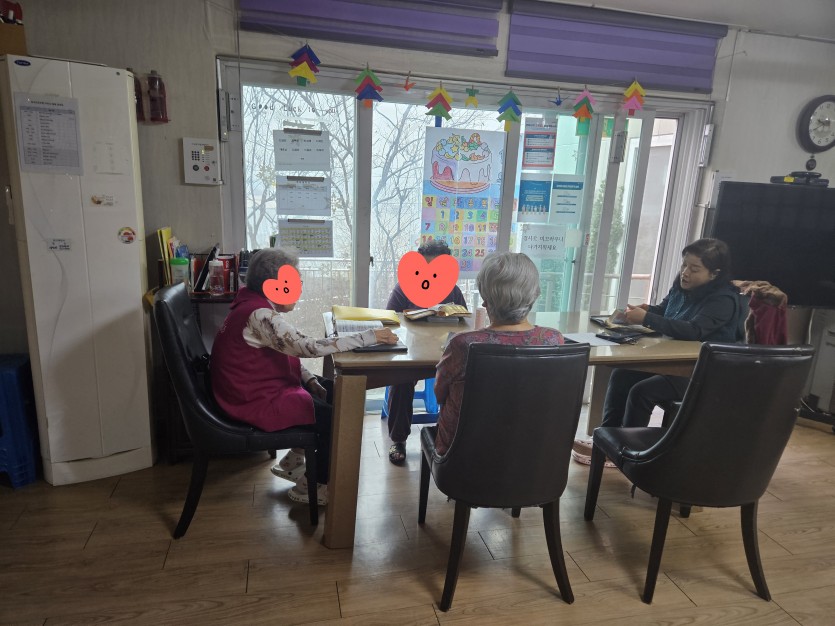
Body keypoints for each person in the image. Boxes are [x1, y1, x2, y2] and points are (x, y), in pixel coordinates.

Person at [210, 248, 398, 505]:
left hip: (252, 387)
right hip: (251, 399)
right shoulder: (259, 315)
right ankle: (313, 485)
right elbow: (307, 347)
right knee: (334, 419)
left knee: (335, 390)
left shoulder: (251, 305)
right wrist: (369, 336)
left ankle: (293, 461)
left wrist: (309, 380)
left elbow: (285, 352)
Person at [599, 238, 743, 430]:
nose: (685, 272)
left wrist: (647, 318)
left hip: (702, 373)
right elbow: (666, 311)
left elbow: (693, 330)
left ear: (714, 274)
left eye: (694, 269)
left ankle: (628, 443)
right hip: (674, 362)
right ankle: (608, 435)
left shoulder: (723, 300)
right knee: (622, 374)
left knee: (642, 391)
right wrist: (646, 311)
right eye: (684, 265)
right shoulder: (682, 286)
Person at [433, 252, 564, 455]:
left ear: (485, 300)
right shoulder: (553, 340)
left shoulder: (463, 344)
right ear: (535, 295)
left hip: (464, 455)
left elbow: (439, 393)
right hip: (532, 453)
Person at [384, 240, 468, 464]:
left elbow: (464, 323)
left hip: (444, 353)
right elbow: (388, 319)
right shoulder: (404, 288)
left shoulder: (453, 291)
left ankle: (448, 436)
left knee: (461, 381)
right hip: (412, 350)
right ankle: (398, 439)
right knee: (401, 382)